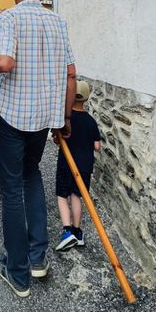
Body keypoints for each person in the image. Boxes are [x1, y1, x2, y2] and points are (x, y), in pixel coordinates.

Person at [0, 0, 76, 298]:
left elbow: (6, 63)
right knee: (32, 174)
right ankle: (37, 257)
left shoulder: (9, 17)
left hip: (13, 116)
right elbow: (71, 74)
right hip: (43, 117)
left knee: (11, 187)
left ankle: (18, 271)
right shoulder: (58, 22)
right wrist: (65, 117)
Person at [54, 80, 101, 251]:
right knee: (76, 196)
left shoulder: (66, 119)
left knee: (61, 196)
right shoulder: (90, 121)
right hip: (85, 166)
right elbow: (97, 146)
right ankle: (77, 231)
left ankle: (67, 232)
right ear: (86, 99)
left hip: (67, 163)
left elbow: (58, 138)